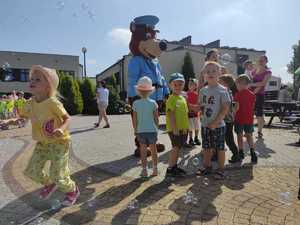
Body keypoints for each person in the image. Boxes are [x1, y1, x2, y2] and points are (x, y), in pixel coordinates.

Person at [17, 65, 79, 206]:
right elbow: (22, 117)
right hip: (42, 143)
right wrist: (11, 120)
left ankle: (72, 190)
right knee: (31, 171)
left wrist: (62, 129)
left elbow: (67, 118)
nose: (32, 81)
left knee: (58, 175)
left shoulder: (52, 102)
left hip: (59, 143)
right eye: (31, 79)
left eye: (38, 79)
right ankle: (49, 184)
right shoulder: (30, 103)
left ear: (48, 86)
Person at [196, 61, 230, 179]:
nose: (210, 73)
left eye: (214, 71)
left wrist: (216, 122)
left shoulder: (222, 90)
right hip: (205, 124)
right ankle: (207, 166)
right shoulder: (203, 90)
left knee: (220, 147)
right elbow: (201, 106)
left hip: (219, 125)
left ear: (219, 73)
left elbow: (225, 108)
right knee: (206, 147)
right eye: (208, 71)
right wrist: (192, 107)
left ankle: (221, 169)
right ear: (204, 74)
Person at [132, 76, 159, 178]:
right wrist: (156, 128)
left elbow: (135, 119)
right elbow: (156, 118)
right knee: (153, 150)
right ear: (150, 91)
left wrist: (135, 130)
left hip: (141, 131)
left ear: (138, 91)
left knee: (143, 151)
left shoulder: (135, 103)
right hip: (152, 130)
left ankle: (144, 170)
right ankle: (155, 169)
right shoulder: (153, 103)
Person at [165, 73, 189, 177]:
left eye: (180, 84)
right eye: (175, 84)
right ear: (170, 86)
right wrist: (175, 129)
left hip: (182, 128)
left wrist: (185, 128)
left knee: (178, 148)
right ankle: (170, 168)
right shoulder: (171, 98)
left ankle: (174, 166)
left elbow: (184, 114)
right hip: (174, 129)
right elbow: (171, 114)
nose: (178, 86)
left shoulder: (182, 98)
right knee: (175, 148)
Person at [234, 75, 257, 163]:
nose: (237, 87)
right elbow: (253, 107)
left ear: (241, 84)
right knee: (249, 135)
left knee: (239, 135)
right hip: (249, 119)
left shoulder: (238, 94)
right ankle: (253, 153)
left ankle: (241, 153)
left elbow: (237, 107)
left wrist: (232, 114)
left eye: (237, 85)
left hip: (239, 118)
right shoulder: (252, 95)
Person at [218, 74, 239, 163]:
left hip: (227, 120)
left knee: (229, 139)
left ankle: (236, 155)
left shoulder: (225, 92)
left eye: (220, 82)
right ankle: (217, 154)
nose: (218, 83)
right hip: (226, 119)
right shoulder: (226, 91)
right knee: (222, 138)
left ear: (226, 84)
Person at [249, 55, 272, 138]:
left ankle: (259, 132)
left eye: (262, 60)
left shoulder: (268, 72)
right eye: (259, 60)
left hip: (259, 95)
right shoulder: (254, 71)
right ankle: (249, 131)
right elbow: (250, 79)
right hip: (251, 94)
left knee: (259, 114)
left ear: (266, 62)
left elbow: (263, 83)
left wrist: (252, 85)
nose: (260, 62)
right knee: (250, 113)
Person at [186, 78, 201, 146]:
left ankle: (196, 138)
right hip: (189, 114)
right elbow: (186, 103)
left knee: (197, 127)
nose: (190, 86)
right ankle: (190, 139)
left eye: (192, 84)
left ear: (196, 86)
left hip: (196, 114)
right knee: (190, 127)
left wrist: (197, 108)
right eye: (189, 84)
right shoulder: (186, 94)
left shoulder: (197, 94)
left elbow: (199, 103)